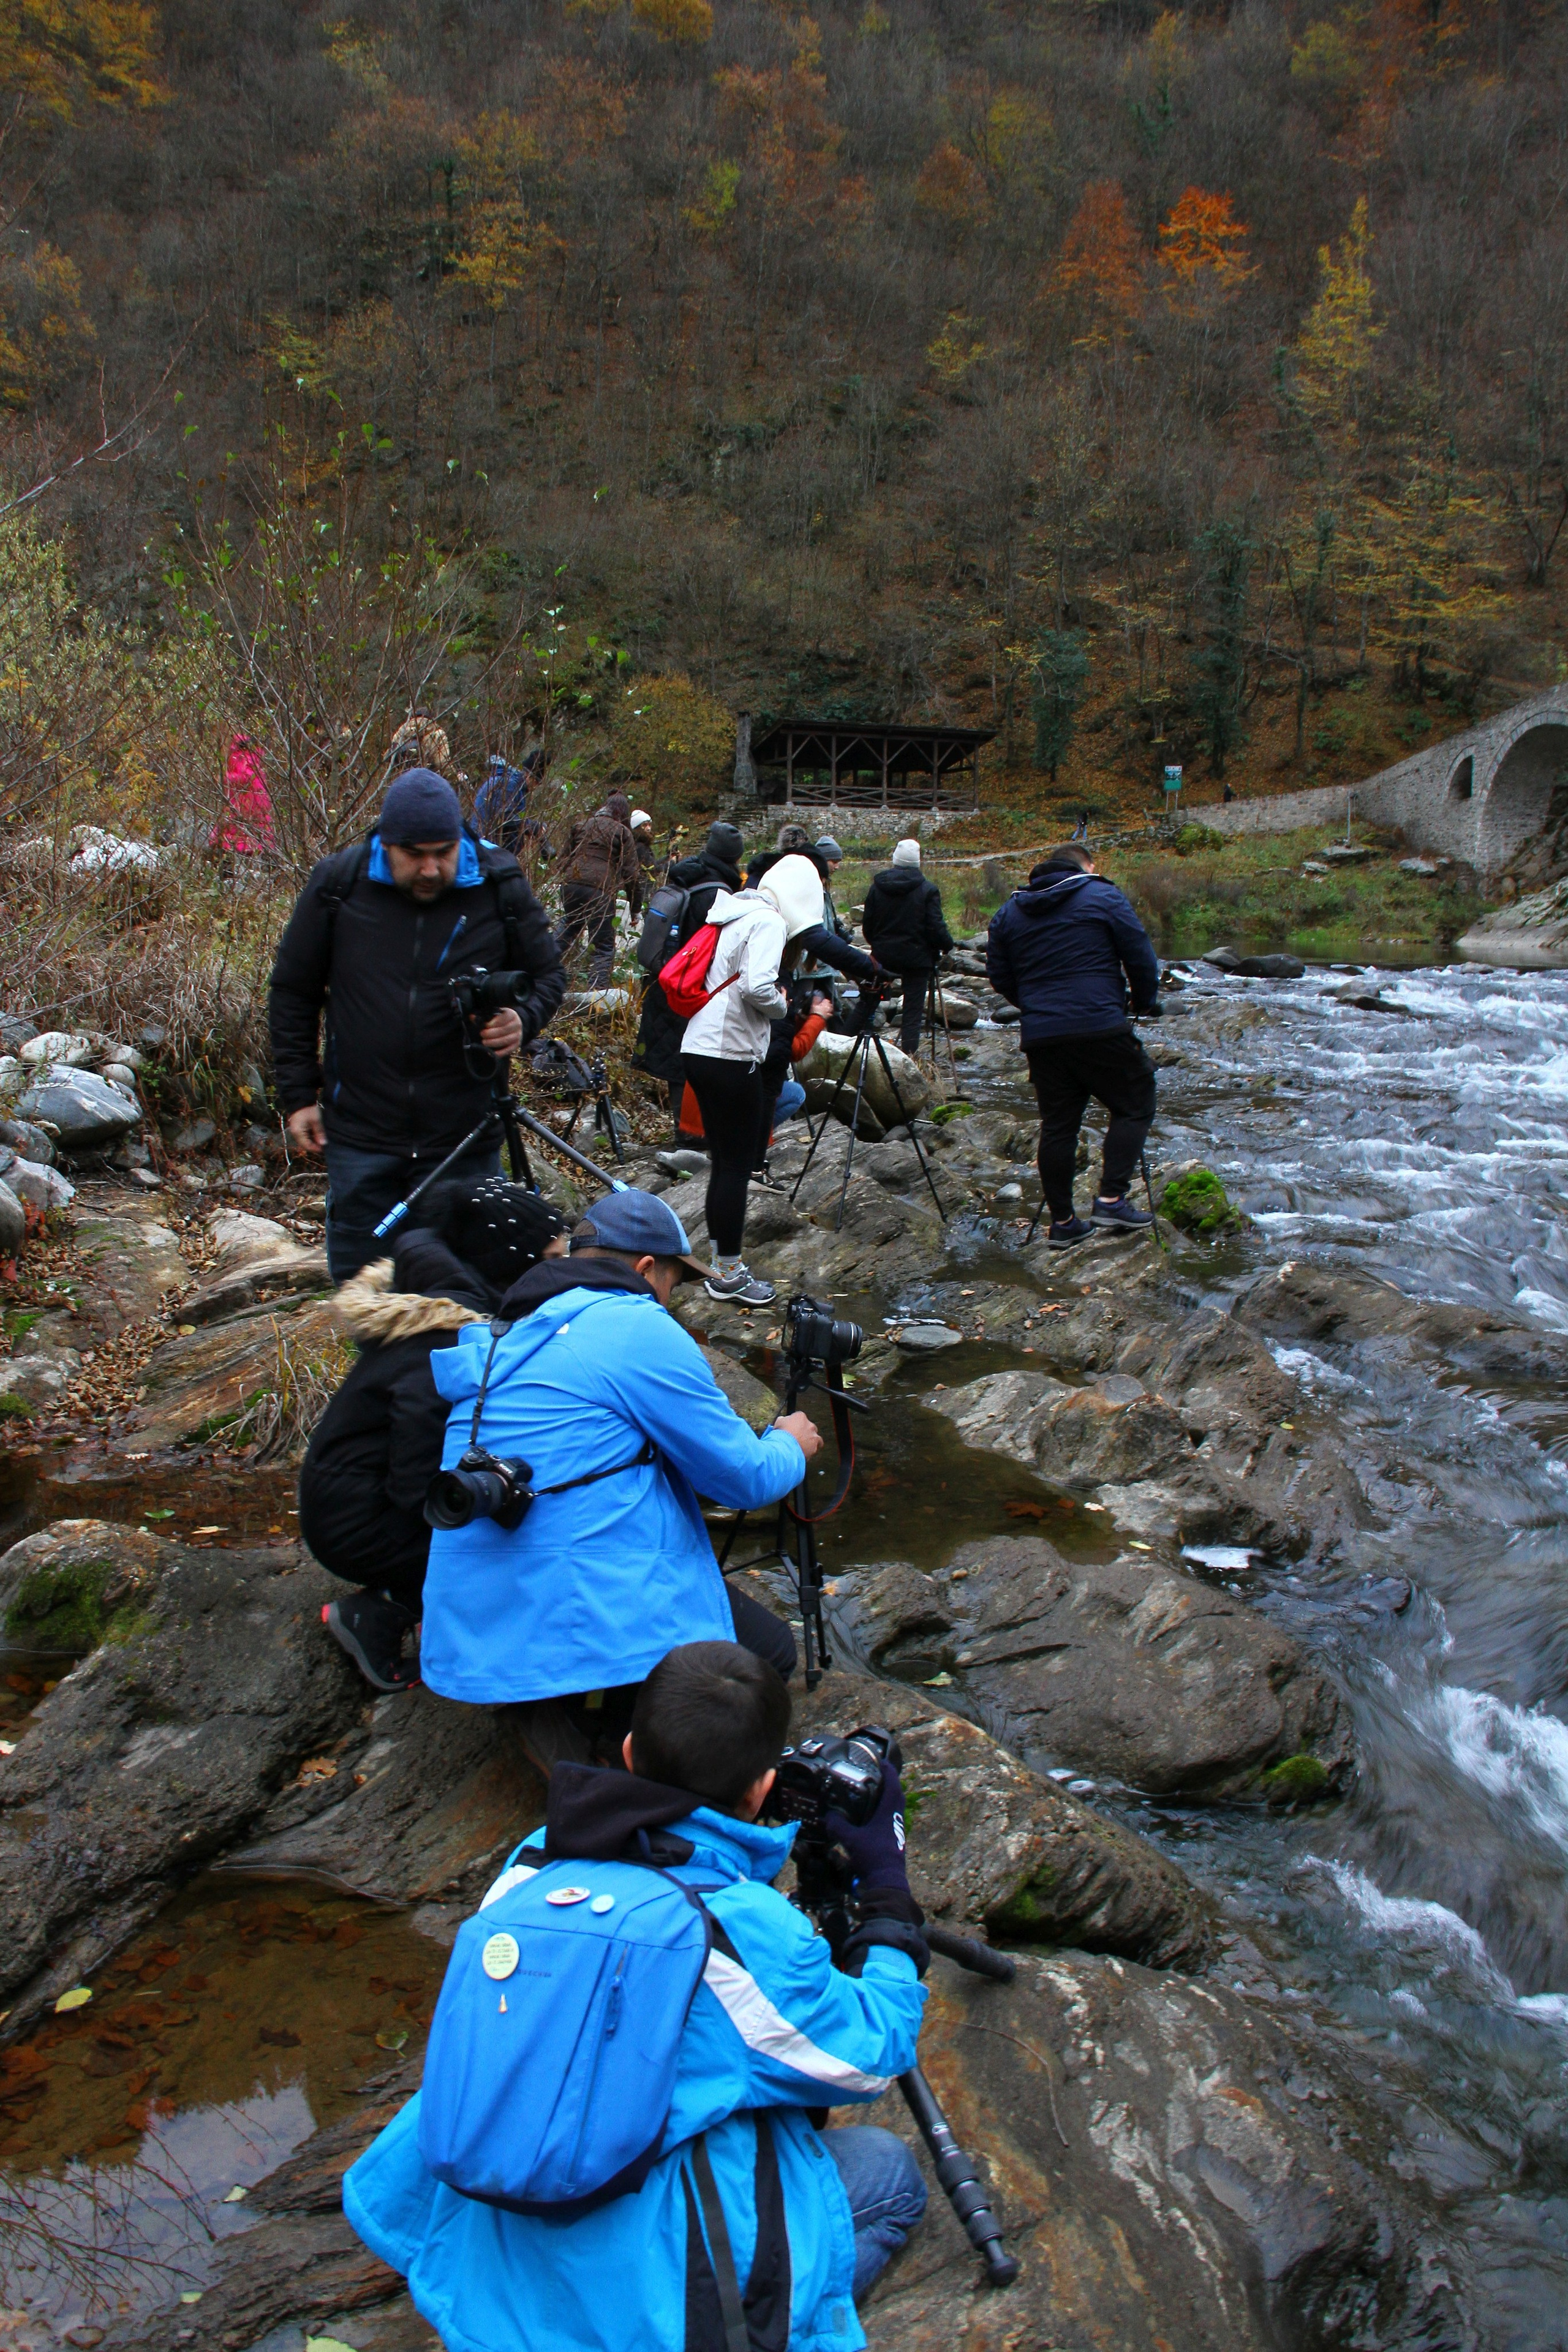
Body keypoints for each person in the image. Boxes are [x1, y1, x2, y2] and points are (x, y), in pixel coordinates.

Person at [342, 1640, 929, 2352]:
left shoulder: (534, 1862)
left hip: (483, 2270)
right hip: (652, 2303)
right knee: (890, 2176)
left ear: (626, 1751)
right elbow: (871, 2057)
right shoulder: (733, 1928)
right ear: (760, 1790)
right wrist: (887, 1896)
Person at [418, 1188, 820, 1768]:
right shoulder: (634, 1326)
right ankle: (599, 1736)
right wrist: (791, 1443)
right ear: (646, 1268)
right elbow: (745, 1481)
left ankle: (562, 1700)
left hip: (477, 1619)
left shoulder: (509, 1330)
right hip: (569, 1600)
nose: (671, 1299)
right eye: (676, 1284)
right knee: (765, 1657)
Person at [268, 769, 566, 1284]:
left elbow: (548, 976)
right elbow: (294, 990)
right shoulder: (340, 884)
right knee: (369, 1300)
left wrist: (524, 1018)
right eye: (414, 854)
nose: (430, 868)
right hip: (362, 1136)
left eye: (443, 852)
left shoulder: (499, 884)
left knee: (470, 1297)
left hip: (465, 1135)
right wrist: (298, 1095)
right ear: (386, 844)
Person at [302, 1178, 571, 1692]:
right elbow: (416, 1488)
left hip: (347, 1498)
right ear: (511, 1263)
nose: (561, 1272)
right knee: (527, 1538)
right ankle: (380, 1612)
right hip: (355, 1523)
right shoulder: (449, 1342)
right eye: (550, 1259)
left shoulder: (442, 1305)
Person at [986, 842, 1161, 1248]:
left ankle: (1063, 1222)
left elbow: (999, 972)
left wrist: (1033, 1004)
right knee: (1136, 1101)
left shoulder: (1010, 912)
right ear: (1085, 866)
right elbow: (1139, 954)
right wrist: (1144, 1001)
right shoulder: (1102, 895)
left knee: (1059, 1125)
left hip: (1043, 1035)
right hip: (1099, 1023)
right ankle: (1112, 1198)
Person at [679, 853, 831, 1307]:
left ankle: (721, 1265)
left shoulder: (733, 913)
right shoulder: (768, 922)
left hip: (700, 1048)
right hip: (730, 1053)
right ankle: (729, 1273)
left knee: (724, 1164)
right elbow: (758, 988)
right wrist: (785, 1006)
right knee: (736, 1167)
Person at [632, 820, 746, 1138]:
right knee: (694, 1056)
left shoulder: (686, 876)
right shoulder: (718, 894)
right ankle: (691, 1133)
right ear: (735, 858)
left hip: (665, 979)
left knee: (676, 1056)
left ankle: (684, 1129)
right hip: (695, 986)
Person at [860, 837, 955, 1057]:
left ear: (895, 859)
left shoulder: (878, 887)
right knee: (912, 1014)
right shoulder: (928, 890)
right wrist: (947, 945)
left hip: (884, 956)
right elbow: (936, 928)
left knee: (869, 1004)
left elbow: (868, 925)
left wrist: (878, 944)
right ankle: (909, 1059)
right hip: (918, 959)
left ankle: (851, 1047)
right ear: (918, 862)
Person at [556, 791, 641, 986]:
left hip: (571, 886)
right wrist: (635, 909)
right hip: (599, 891)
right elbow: (632, 875)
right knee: (603, 946)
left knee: (569, 926)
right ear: (623, 814)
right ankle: (597, 999)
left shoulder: (581, 825)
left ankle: (540, 974)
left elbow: (562, 862)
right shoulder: (622, 832)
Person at [209, 733, 275, 858]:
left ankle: (238, 852)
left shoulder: (242, 757)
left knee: (238, 828)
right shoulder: (252, 757)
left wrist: (226, 779)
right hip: (250, 801)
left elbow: (247, 776)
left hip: (247, 801)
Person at [474, 749, 543, 854]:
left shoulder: (508, 782)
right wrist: (532, 827)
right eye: (536, 783)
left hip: (483, 840)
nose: (535, 787)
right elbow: (505, 816)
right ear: (529, 777)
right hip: (483, 842)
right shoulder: (510, 785)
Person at [814, 833, 851, 940]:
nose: (837, 867)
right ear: (822, 861)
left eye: (838, 862)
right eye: (834, 862)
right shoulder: (812, 887)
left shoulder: (825, 885)